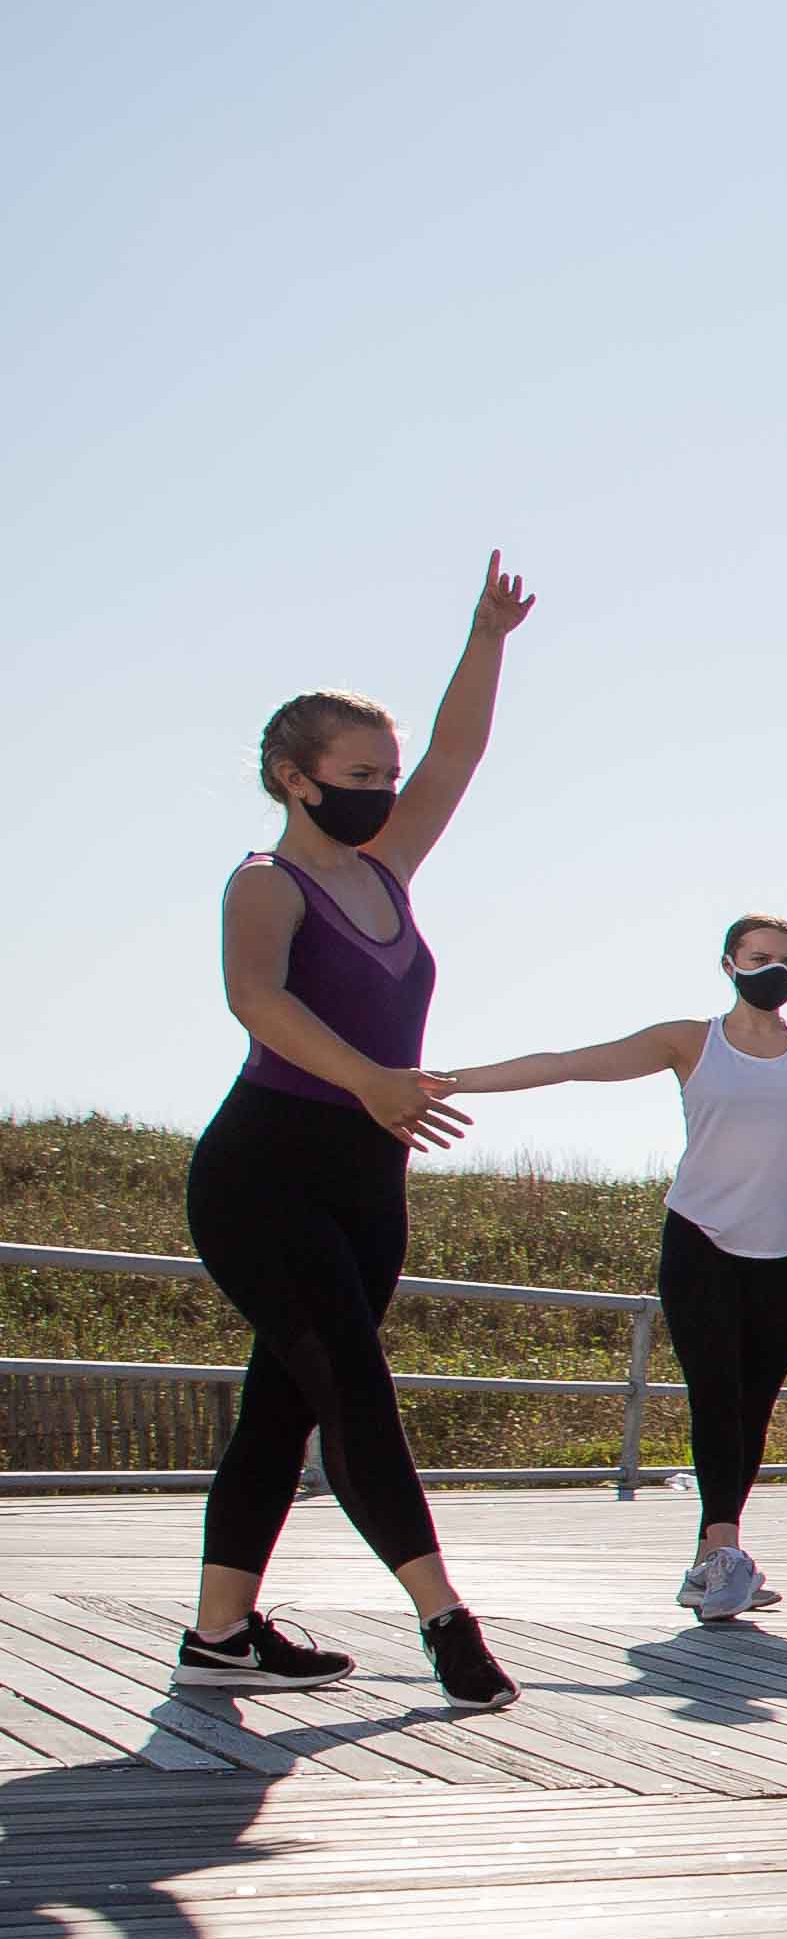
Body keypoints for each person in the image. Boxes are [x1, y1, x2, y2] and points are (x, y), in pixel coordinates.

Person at [173, 558, 531, 1711]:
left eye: (385, 772)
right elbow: (258, 1003)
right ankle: (446, 1620)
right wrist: (373, 1079)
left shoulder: (388, 865)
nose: (383, 788)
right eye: (357, 773)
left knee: (286, 1399)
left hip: (370, 1179)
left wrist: (486, 639)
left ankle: (220, 1635)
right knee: (355, 1390)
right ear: (295, 778)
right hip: (265, 1170)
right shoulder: (266, 881)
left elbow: (459, 756)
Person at [443, 818, 787, 1621]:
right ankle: (721, 1553)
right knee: (714, 1395)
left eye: (786, 961)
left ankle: (719, 1554)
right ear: (730, 965)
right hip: (701, 1239)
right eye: (759, 957)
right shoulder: (689, 1042)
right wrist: (453, 1080)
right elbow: (569, 1065)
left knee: (755, 1402)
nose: (774, 970)